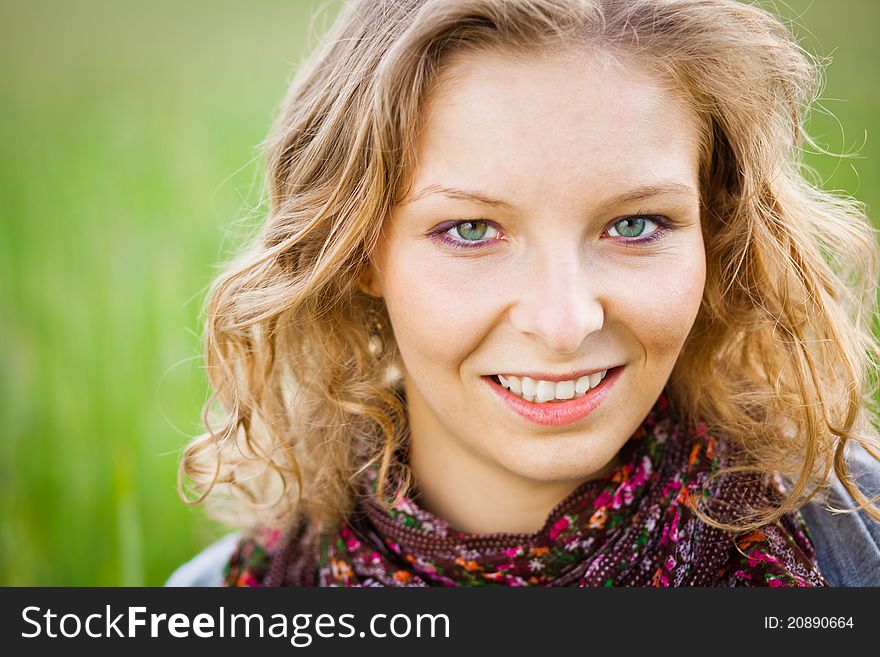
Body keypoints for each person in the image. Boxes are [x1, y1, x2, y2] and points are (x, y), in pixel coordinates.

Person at [171, 0, 880, 587]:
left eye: (634, 224)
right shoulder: (226, 597)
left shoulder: (857, 546)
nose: (564, 322)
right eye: (472, 229)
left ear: (716, 227)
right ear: (358, 251)